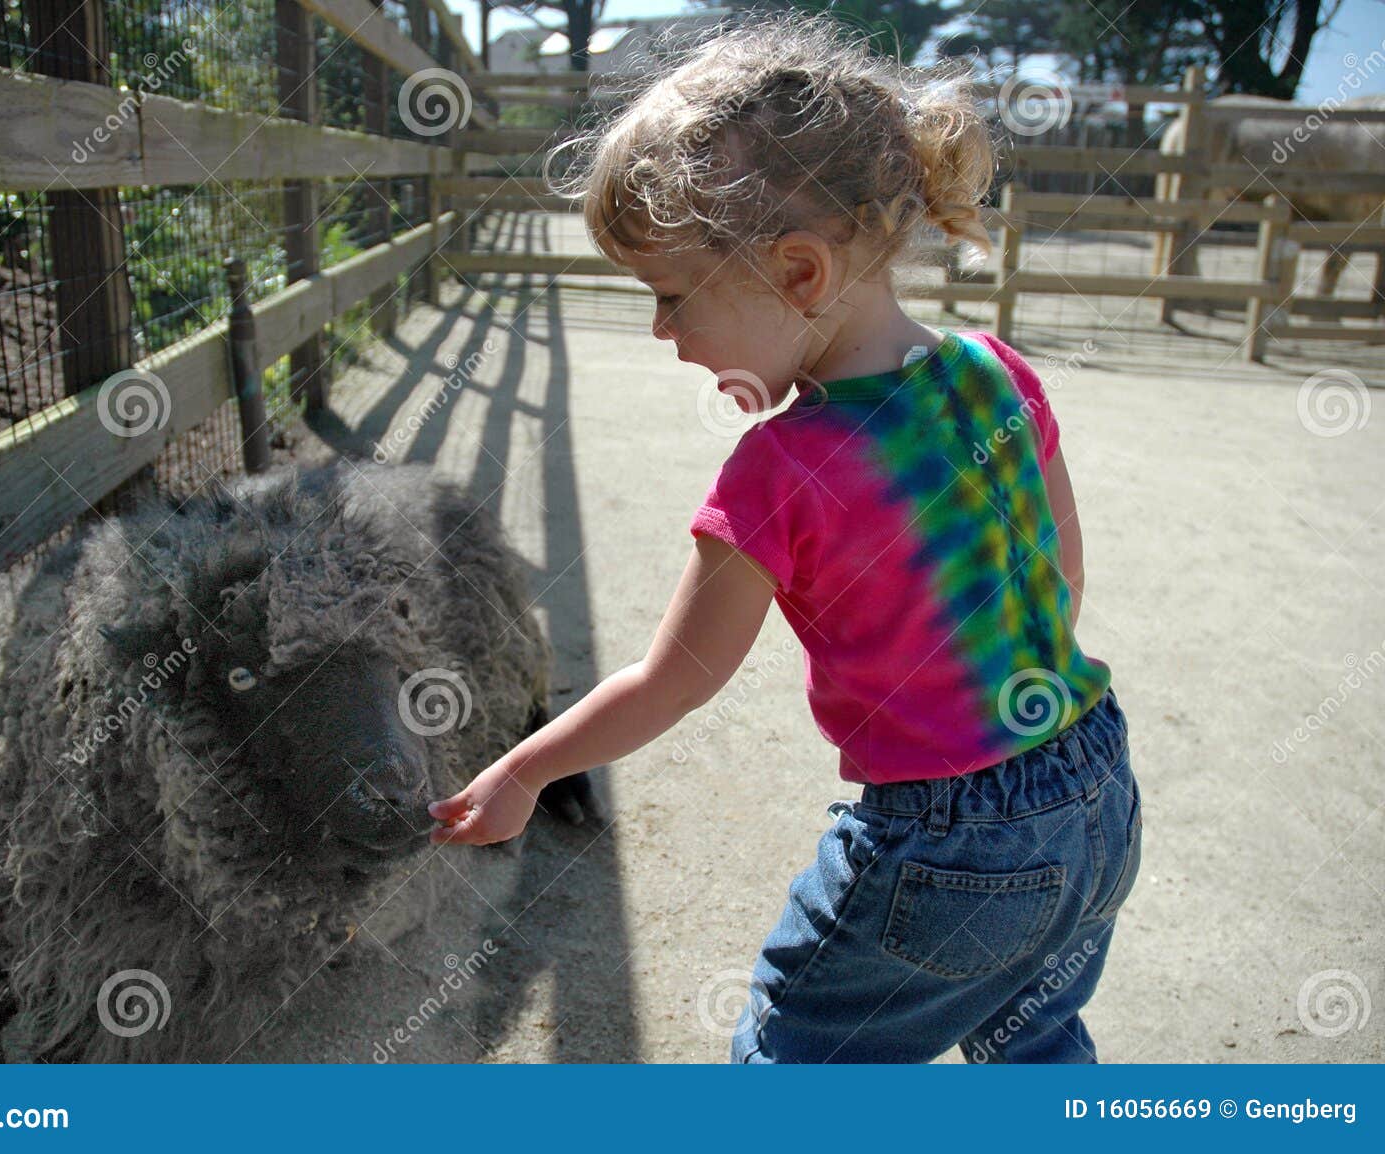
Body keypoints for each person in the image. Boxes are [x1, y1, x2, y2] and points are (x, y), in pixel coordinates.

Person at [427, 12, 1142, 1064]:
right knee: (1031, 1043)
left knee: (790, 1063)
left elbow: (671, 680)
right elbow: (1062, 580)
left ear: (799, 273)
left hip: (945, 846)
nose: (662, 331)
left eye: (672, 295)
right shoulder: (996, 372)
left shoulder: (777, 471)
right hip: (1094, 786)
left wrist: (525, 773)